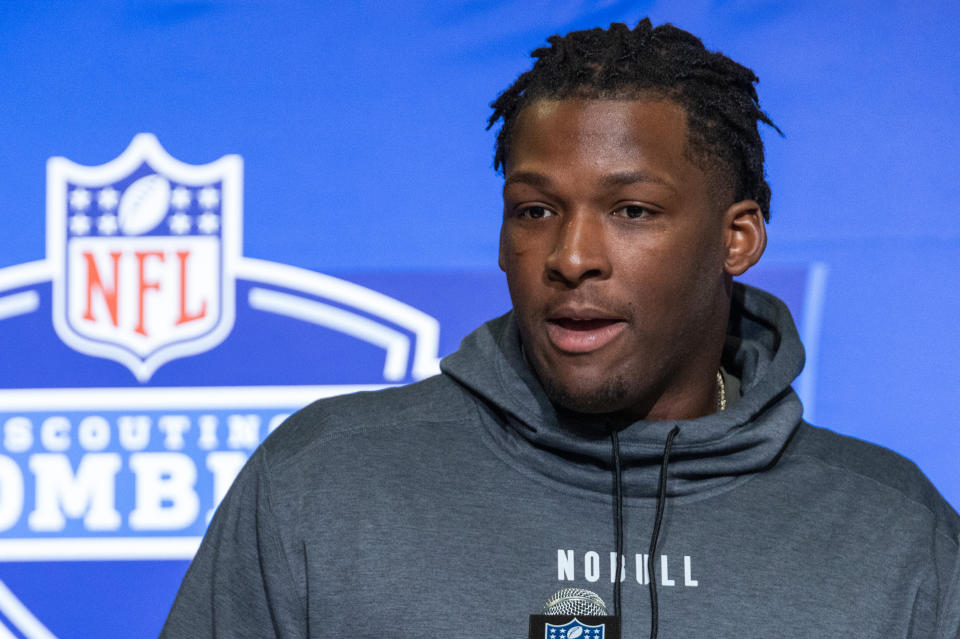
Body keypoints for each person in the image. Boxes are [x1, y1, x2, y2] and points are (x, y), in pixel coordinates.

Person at [161, 19, 960, 638]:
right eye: (535, 210)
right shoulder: (320, 485)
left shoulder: (891, 535)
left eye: (632, 211)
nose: (572, 256)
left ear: (736, 238)